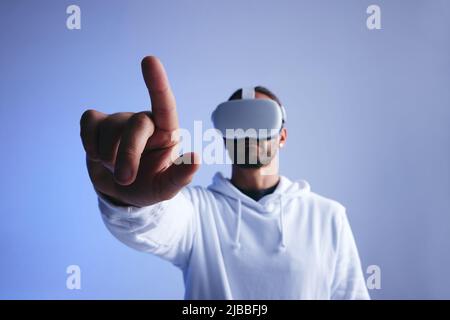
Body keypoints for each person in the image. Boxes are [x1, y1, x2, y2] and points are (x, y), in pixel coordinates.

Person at [80, 56, 370, 299]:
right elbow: (151, 223)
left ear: (282, 136)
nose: (248, 133)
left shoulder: (327, 217)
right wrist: (127, 198)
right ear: (223, 135)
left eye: (260, 121)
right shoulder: (197, 213)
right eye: (237, 122)